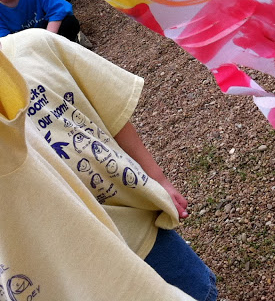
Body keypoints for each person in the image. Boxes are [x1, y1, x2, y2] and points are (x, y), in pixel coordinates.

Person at [0, 28, 218, 300]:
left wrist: (158, 179)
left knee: (198, 291)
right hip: (63, 274)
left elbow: (110, 112)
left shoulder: (35, 46)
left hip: (135, 232)